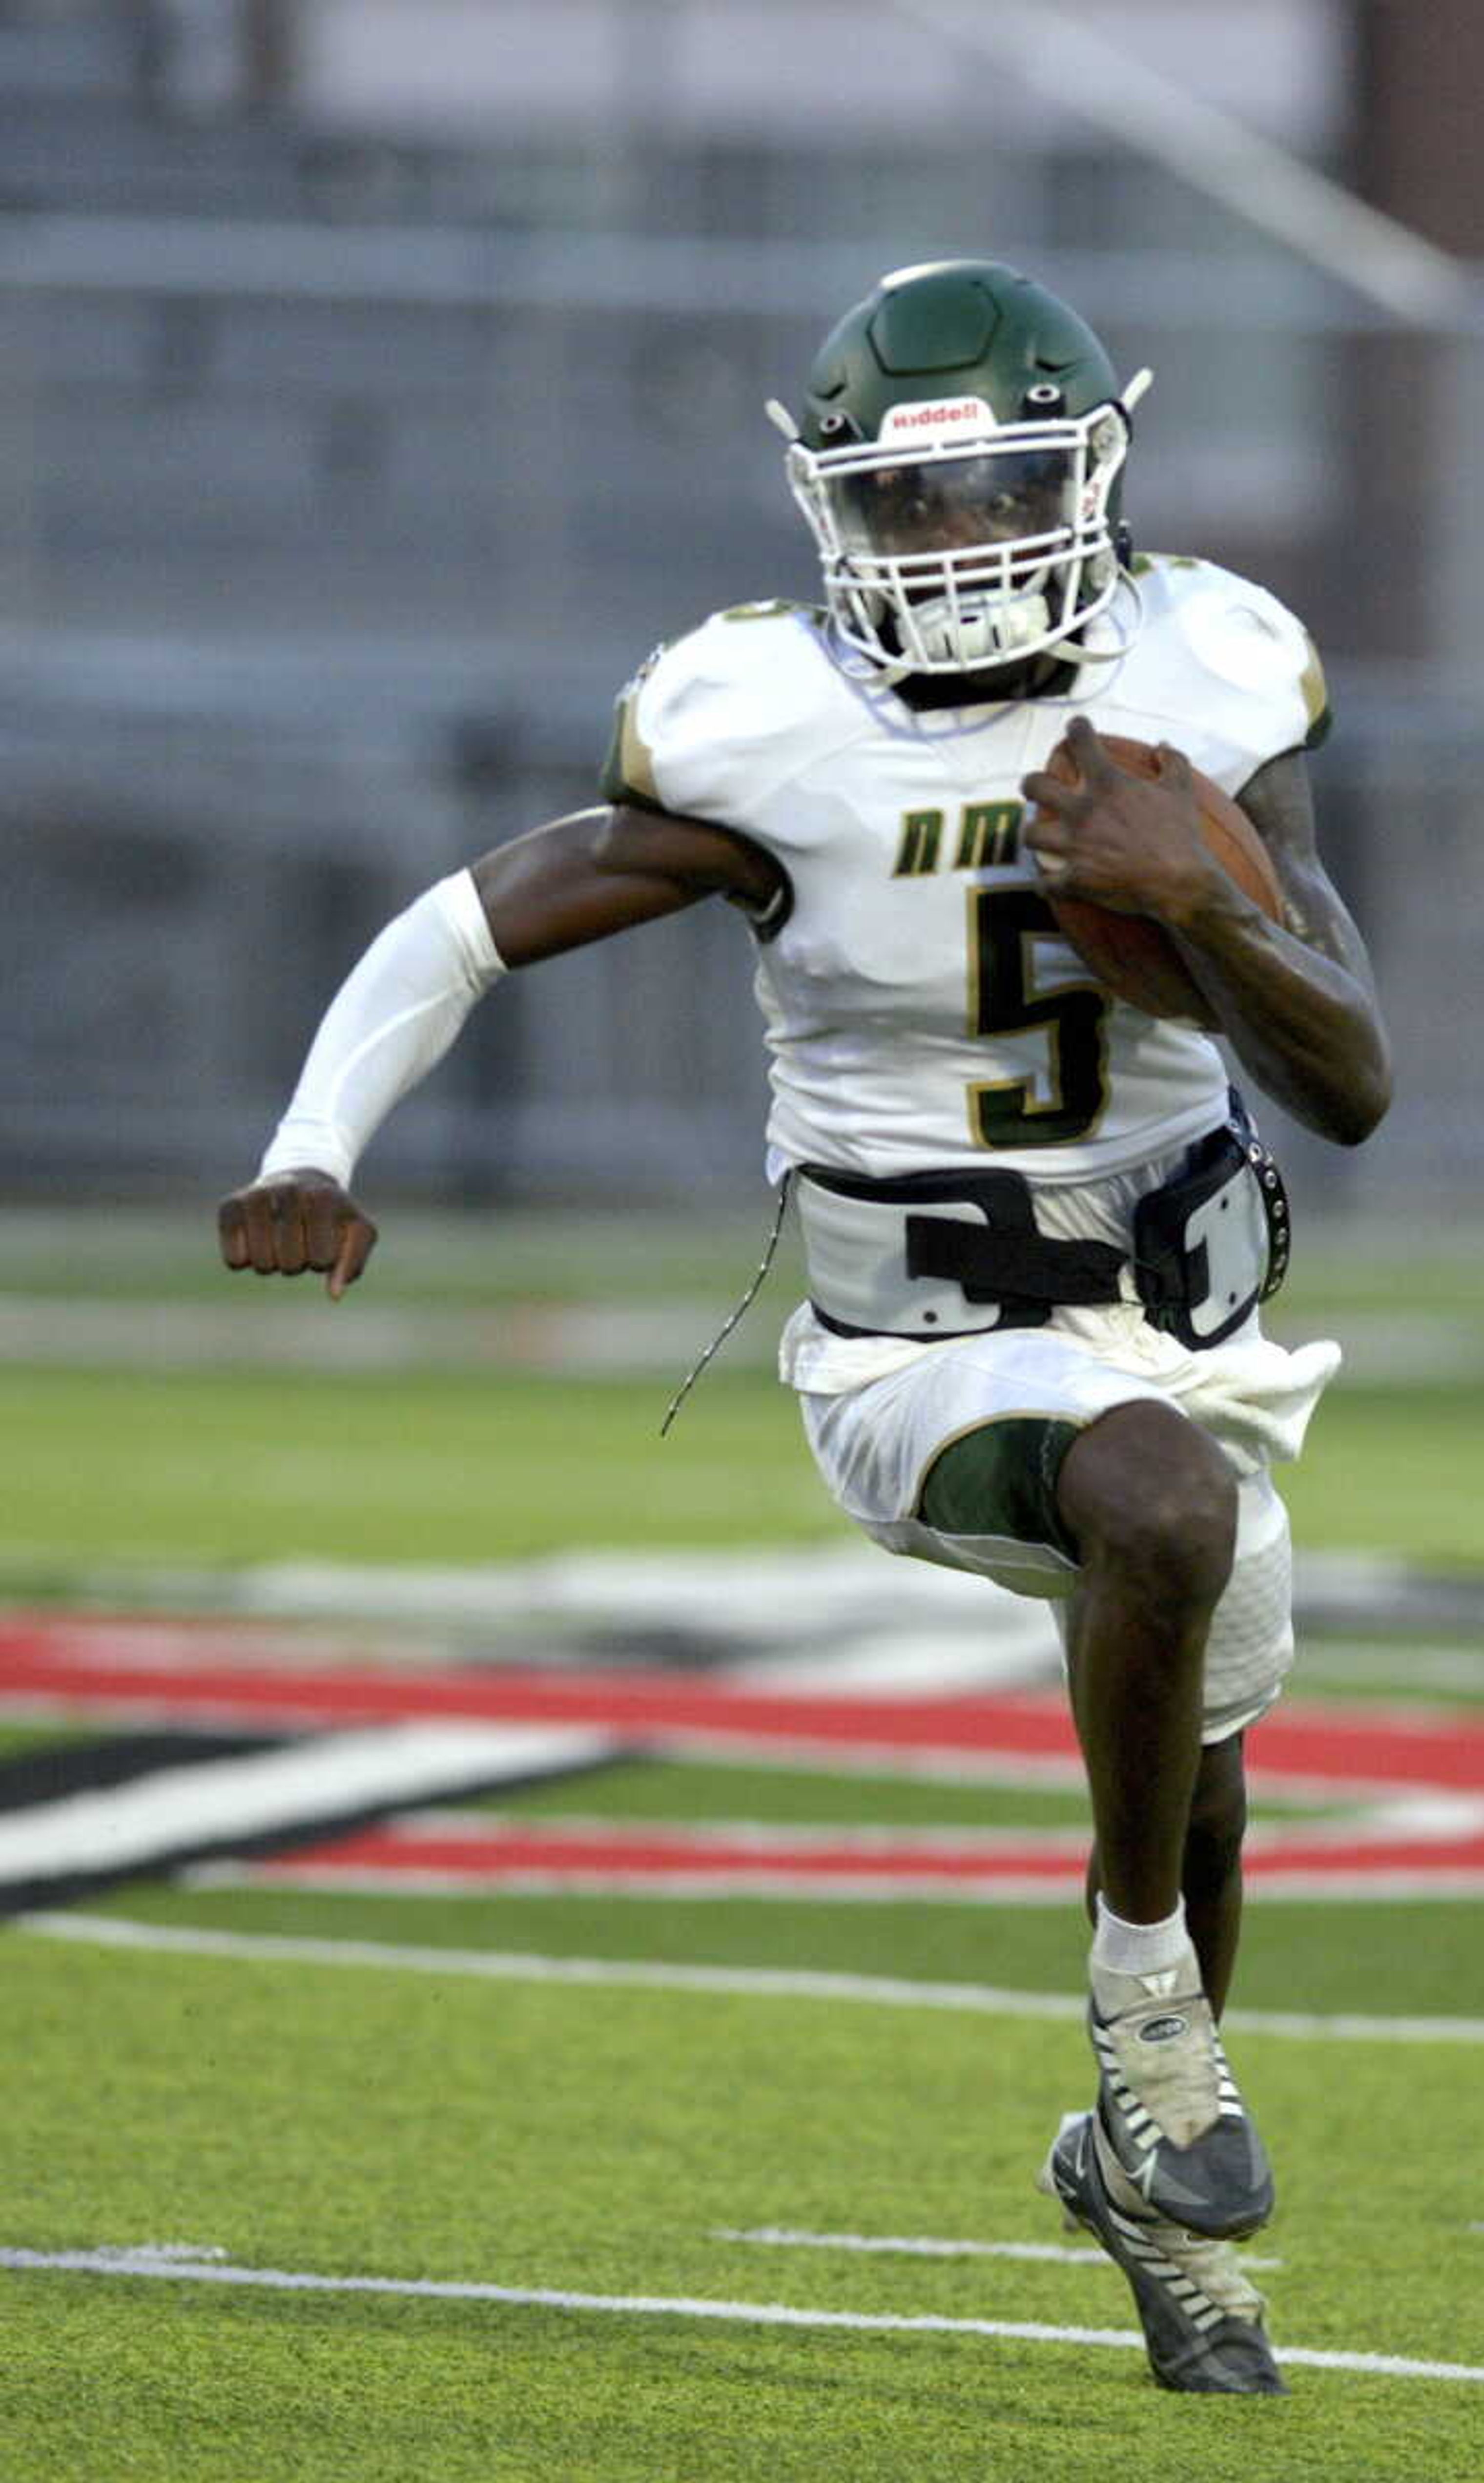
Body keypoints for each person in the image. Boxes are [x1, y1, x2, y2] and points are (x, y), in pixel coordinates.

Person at [216, 258, 1391, 2397]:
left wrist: (1205, 894)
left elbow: (1356, 1077)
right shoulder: (767, 722)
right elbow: (472, 917)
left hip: (1187, 1313)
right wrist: (316, 1140)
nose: (956, 546)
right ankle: (1145, 2022)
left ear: (1094, 473)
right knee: (1156, 1509)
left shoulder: (1211, 669)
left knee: (1202, 1749)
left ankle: (1142, 2170)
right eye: (910, 506)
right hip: (916, 1346)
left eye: (998, 493)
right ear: (833, 512)